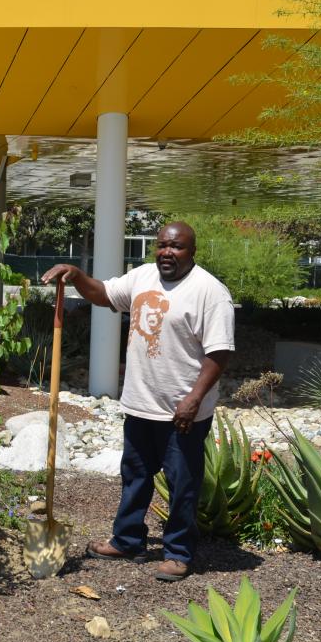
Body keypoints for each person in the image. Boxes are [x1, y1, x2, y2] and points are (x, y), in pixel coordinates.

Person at [42, 221, 234, 581]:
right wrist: (77, 275)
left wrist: (194, 399)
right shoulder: (142, 276)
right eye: (162, 245)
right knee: (135, 476)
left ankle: (178, 552)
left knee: (182, 483)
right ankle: (128, 540)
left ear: (191, 252)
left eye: (176, 247)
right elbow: (103, 294)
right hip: (140, 403)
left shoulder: (210, 292)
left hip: (182, 412)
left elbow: (219, 352)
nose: (167, 252)